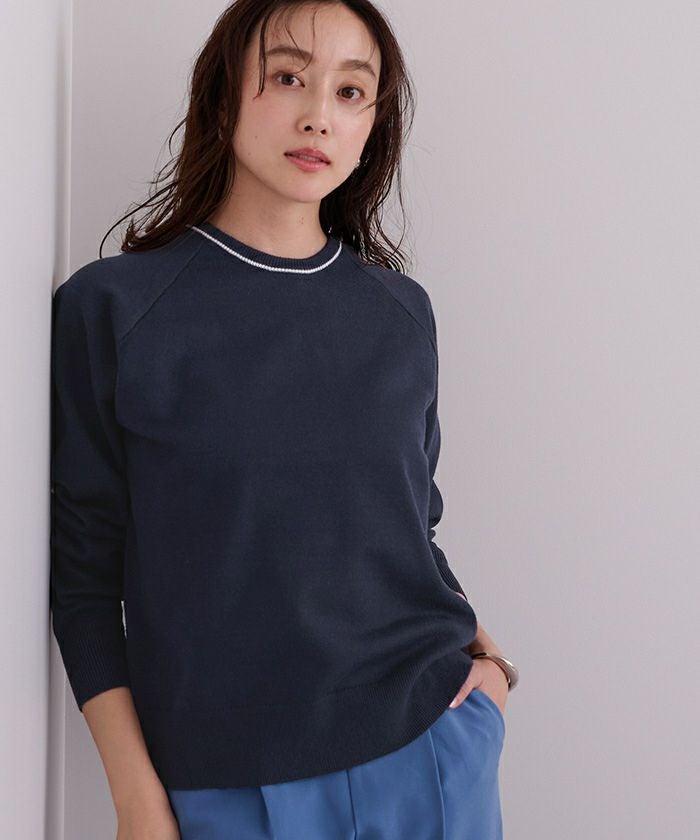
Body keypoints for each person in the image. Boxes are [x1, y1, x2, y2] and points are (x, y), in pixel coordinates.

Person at [50, 1, 519, 838]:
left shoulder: (401, 314)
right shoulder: (115, 309)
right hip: (225, 784)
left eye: (351, 91)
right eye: (289, 77)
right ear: (225, 93)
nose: (318, 116)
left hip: (429, 750)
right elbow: (83, 574)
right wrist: (135, 798)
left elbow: (410, 525)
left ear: (373, 125)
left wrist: (489, 666)